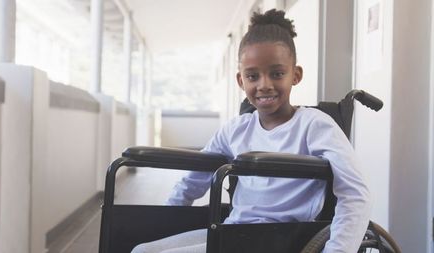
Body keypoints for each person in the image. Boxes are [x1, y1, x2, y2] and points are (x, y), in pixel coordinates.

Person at [132, 8, 371, 253]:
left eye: (277, 74)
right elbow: (193, 180)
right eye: (253, 76)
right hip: (234, 230)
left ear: (295, 75)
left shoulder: (315, 125)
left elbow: (355, 195)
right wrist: (164, 220)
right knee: (141, 250)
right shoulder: (237, 129)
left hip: (283, 239)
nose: (264, 85)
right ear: (241, 80)